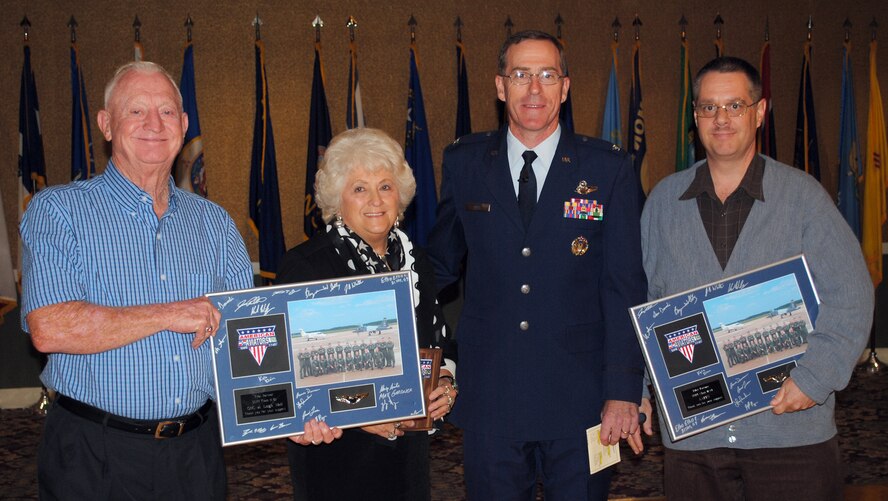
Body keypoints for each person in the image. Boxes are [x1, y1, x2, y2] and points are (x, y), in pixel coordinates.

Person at [20, 62, 290, 500]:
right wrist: (170, 314)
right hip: (95, 454)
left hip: (196, 455)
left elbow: (247, 339)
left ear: (183, 126)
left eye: (166, 112)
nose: (153, 124)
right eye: (135, 112)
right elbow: (50, 328)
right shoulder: (58, 212)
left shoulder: (215, 223)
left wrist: (293, 414)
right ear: (106, 125)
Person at [639, 56, 874, 500]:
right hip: (695, 442)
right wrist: (643, 391)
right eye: (708, 107)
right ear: (695, 117)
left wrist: (815, 379)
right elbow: (647, 305)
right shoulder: (663, 202)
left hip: (789, 434)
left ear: (759, 112)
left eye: (734, 105)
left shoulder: (804, 198)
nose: (721, 119)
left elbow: (853, 296)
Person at [426, 30, 647, 500]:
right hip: (492, 398)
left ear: (564, 88)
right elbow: (437, 270)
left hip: (584, 401)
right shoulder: (465, 163)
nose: (533, 89)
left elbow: (624, 286)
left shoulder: (608, 169)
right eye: (520, 75)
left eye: (547, 75)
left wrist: (624, 390)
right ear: (500, 86)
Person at [278, 127, 458, 501]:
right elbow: (293, 380)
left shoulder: (415, 259)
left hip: (408, 456)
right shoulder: (307, 266)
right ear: (336, 198)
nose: (375, 200)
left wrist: (444, 384)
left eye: (385, 186)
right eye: (359, 188)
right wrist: (359, 414)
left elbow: (437, 341)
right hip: (338, 457)